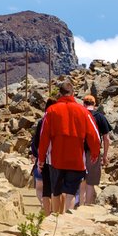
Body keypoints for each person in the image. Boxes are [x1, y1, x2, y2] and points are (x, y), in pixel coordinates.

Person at [37, 81, 101, 215]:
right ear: (73, 93)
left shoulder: (51, 111)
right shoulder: (83, 112)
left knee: (56, 190)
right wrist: (95, 153)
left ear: (60, 93)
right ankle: (66, 216)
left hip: (56, 159)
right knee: (70, 192)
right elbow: (94, 135)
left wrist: (41, 158)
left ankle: (55, 217)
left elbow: (44, 137)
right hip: (76, 160)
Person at [79, 95, 113, 206]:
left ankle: (79, 205)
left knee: (81, 180)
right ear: (94, 104)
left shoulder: (79, 116)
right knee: (90, 182)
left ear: (83, 104)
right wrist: (105, 155)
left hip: (79, 152)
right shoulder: (100, 117)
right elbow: (106, 139)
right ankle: (87, 205)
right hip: (94, 153)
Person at [30, 97, 58, 215]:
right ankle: (55, 211)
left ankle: (46, 209)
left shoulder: (43, 121)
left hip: (44, 158)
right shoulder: (60, 120)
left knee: (42, 186)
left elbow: (37, 142)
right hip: (58, 158)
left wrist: (37, 156)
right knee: (55, 187)